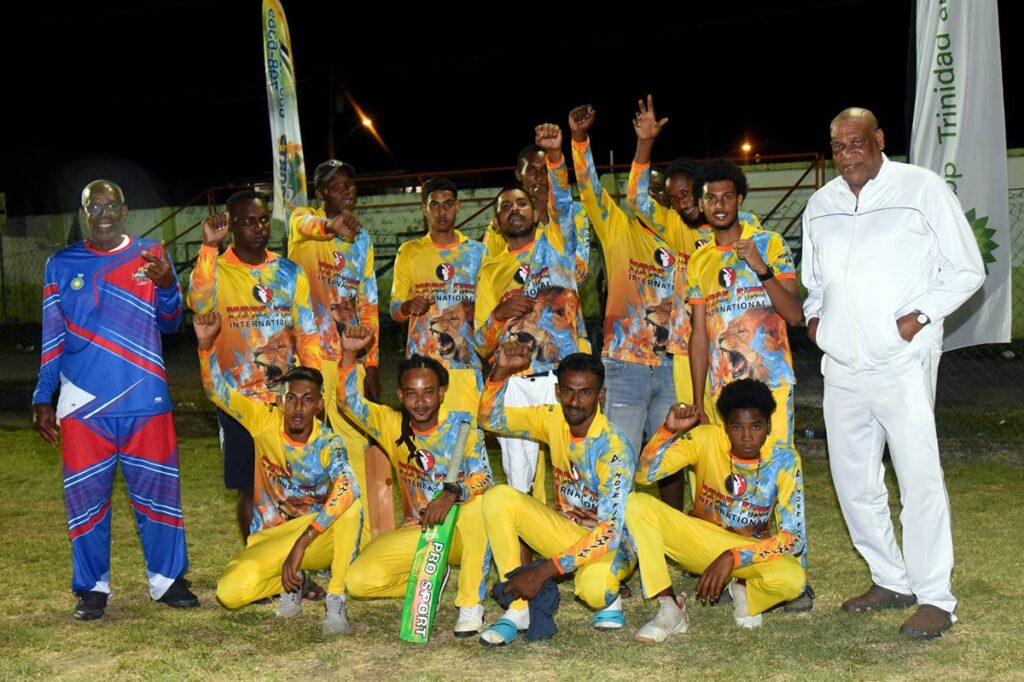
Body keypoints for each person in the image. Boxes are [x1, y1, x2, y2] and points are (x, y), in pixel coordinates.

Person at [802, 107, 984, 640]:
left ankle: (935, 598)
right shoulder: (821, 204)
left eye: (856, 142)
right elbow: (814, 282)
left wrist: (916, 319)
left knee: (918, 478)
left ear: (879, 140)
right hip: (841, 366)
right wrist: (817, 324)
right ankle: (890, 578)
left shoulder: (922, 189)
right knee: (853, 481)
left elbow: (967, 268)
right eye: (837, 146)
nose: (847, 154)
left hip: (901, 361)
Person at [32, 179, 198, 620]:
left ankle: (168, 581)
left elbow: (171, 322)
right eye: (94, 205)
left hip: (145, 398)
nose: (103, 212)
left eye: (111, 205)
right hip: (82, 406)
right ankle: (92, 588)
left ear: (125, 212)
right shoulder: (61, 264)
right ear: (83, 213)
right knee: (85, 502)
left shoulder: (150, 256)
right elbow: (52, 336)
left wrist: (166, 287)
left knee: (160, 496)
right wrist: (42, 395)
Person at [538, 106, 684, 508]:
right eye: (647, 190)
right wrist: (579, 139)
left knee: (670, 456)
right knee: (620, 456)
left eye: (660, 193)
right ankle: (615, 537)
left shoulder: (679, 235)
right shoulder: (617, 226)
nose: (652, 198)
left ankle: (670, 533)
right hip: (625, 366)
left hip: (674, 365)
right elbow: (587, 184)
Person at [195, 312, 362, 635]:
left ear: (318, 405)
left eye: (307, 400)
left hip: (316, 536)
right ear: (280, 400)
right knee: (230, 594)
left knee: (351, 503)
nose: (297, 409)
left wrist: (302, 543)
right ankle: (291, 583)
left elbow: (350, 485)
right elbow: (218, 392)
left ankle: (336, 597)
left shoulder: (328, 442)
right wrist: (205, 346)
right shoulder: (263, 422)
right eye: (291, 399)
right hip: (273, 536)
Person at [337, 325, 494, 638]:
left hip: (461, 535)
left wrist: (453, 493)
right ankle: (432, 580)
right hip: (420, 533)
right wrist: (349, 354)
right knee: (357, 581)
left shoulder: (462, 427)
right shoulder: (391, 424)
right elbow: (347, 403)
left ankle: (470, 604)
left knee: (479, 508)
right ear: (400, 395)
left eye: (428, 392)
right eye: (411, 393)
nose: (420, 402)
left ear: (441, 393)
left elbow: (484, 477)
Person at [477, 344, 636, 645]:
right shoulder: (553, 419)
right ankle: (518, 608)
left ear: (600, 395)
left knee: (594, 590)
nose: (575, 402)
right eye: (568, 392)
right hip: (568, 533)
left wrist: (541, 572)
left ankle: (610, 592)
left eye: (585, 392)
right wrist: (500, 371)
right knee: (498, 497)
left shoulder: (614, 449)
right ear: (558, 391)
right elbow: (488, 420)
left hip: (614, 544)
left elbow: (610, 533)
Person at [187, 190, 320, 543]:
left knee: (293, 486)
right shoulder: (217, 268)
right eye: (247, 221)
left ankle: (295, 569)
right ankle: (258, 563)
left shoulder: (289, 272)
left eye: (263, 220)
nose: (258, 228)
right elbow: (198, 300)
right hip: (237, 401)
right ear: (231, 225)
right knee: (250, 487)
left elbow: (306, 333)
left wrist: (313, 390)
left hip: (285, 401)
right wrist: (208, 248)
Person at [627, 379, 806, 641]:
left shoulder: (784, 459)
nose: (746, 437)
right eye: (737, 427)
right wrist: (667, 430)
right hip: (701, 542)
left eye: (756, 426)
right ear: (725, 427)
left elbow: (794, 538)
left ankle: (744, 586)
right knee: (635, 503)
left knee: (794, 580)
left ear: (768, 426)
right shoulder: (705, 438)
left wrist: (734, 556)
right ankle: (669, 607)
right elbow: (644, 476)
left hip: (747, 553)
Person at [288, 159, 379, 541]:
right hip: (309, 362)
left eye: (350, 184)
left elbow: (369, 302)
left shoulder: (363, 241)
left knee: (355, 448)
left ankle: (355, 535)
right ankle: (314, 537)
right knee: (311, 454)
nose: (346, 190)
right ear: (321, 192)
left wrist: (371, 365)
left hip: (347, 361)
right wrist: (330, 225)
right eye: (336, 185)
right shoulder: (303, 225)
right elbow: (305, 225)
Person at [685, 157, 803, 447]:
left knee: (774, 474)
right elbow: (699, 335)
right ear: (701, 205)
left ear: (739, 200)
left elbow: (795, 315)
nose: (719, 205)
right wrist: (697, 400)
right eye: (711, 198)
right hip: (723, 389)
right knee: (731, 481)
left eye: (727, 197)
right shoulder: (699, 261)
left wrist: (760, 266)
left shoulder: (770, 243)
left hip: (771, 384)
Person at [474, 187, 584, 498]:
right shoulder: (491, 271)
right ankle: (522, 543)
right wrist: (498, 315)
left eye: (522, 203)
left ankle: (571, 537)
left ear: (536, 213)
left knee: (574, 471)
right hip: (516, 384)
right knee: (519, 482)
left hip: (562, 378)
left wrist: (555, 156)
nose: (514, 209)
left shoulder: (557, 248)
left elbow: (564, 203)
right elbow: (481, 345)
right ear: (497, 220)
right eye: (505, 205)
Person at [390, 177, 487, 401]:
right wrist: (408, 306)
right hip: (424, 370)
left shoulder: (477, 252)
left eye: (448, 204)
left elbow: (489, 308)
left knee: (467, 434)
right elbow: (394, 310)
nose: (441, 212)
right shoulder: (409, 252)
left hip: (466, 364)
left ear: (458, 206)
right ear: (424, 208)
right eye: (434, 205)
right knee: (427, 435)